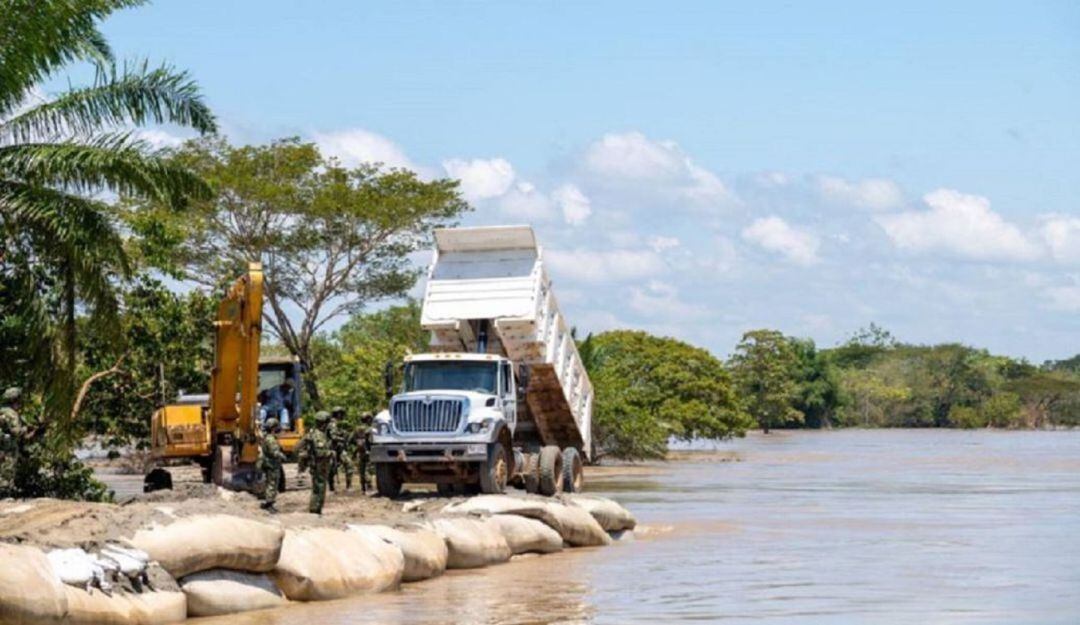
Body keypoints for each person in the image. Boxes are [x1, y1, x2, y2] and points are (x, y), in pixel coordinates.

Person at [296, 411, 333, 514]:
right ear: (324, 423)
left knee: (318, 487)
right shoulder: (318, 435)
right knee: (319, 488)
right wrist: (331, 453)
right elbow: (320, 453)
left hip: (319, 466)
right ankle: (316, 509)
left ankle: (315, 509)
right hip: (319, 466)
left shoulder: (315, 434)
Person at [257, 418, 286, 512]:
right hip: (272, 465)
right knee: (272, 484)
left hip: (269, 464)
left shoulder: (267, 437)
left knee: (270, 483)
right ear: (273, 428)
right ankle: (269, 503)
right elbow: (274, 452)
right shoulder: (271, 439)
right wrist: (283, 456)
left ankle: (268, 502)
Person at [327, 406, 354, 492]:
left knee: (349, 464)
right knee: (332, 468)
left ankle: (349, 486)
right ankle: (331, 486)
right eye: (341, 414)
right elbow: (333, 437)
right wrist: (343, 438)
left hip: (340, 449)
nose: (342, 416)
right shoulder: (332, 424)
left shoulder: (338, 424)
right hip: (333, 449)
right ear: (338, 414)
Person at [354, 412, 374, 494]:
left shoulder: (357, 429)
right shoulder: (370, 429)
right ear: (368, 419)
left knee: (361, 470)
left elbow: (351, 439)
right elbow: (371, 440)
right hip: (368, 451)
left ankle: (363, 488)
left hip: (360, 451)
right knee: (368, 470)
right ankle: (369, 487)